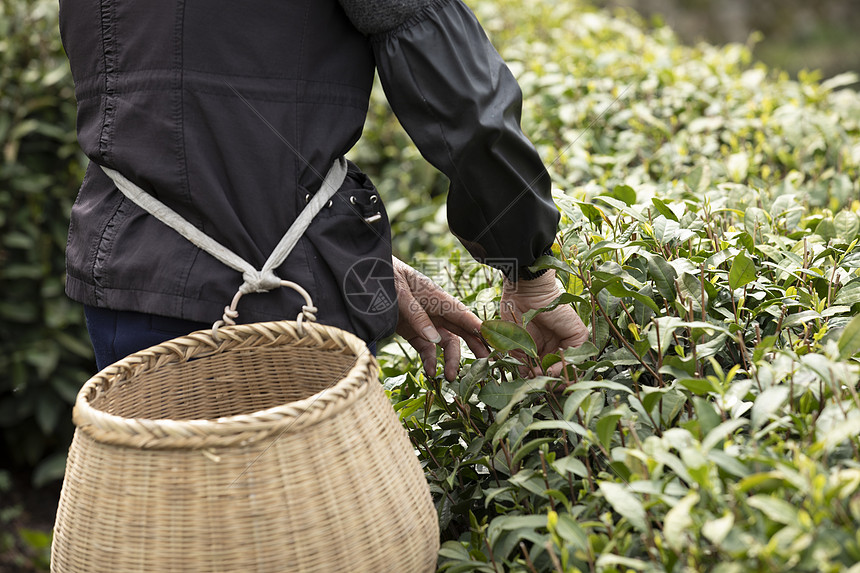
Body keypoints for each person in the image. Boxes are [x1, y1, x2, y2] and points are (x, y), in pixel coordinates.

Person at [58, 0, 588, 377]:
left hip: (123, 281)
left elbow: (169, 105)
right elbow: (470, 113)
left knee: (163, 525)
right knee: (311, 532)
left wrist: (342, 253)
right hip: (273, 312)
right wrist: (529, 268)